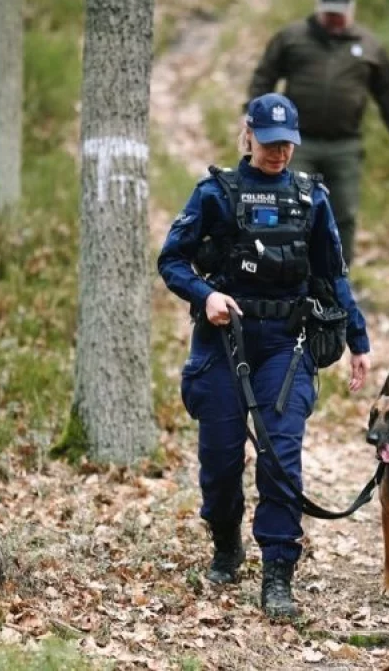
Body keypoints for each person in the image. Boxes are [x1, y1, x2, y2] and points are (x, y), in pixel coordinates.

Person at [158, 93, 372, 620]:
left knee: (281, 456)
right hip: (224, 343)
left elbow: (332, 275)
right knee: (221, 462)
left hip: (287, 343)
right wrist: (205, 296)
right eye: (271, 143)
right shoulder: (215, 193)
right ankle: (226, 542)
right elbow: (172, 260)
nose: (279, 154)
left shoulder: (310, 198)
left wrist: (358, 340)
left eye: (288, 145)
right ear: (248, 134)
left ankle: (278, 573)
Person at [246, 0, 389, 268]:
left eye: (339, 14)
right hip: (295, 142)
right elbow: (264, 76)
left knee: (343, 212)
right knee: (288, 204)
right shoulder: (292, 38)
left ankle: (337, 275)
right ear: (318, 7)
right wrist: (252, 115)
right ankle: (283, 269)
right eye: (329, 14)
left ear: (352, 9)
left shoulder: (369, 46)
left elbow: (387, 93)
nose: (334, 19)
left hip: (345, 145)